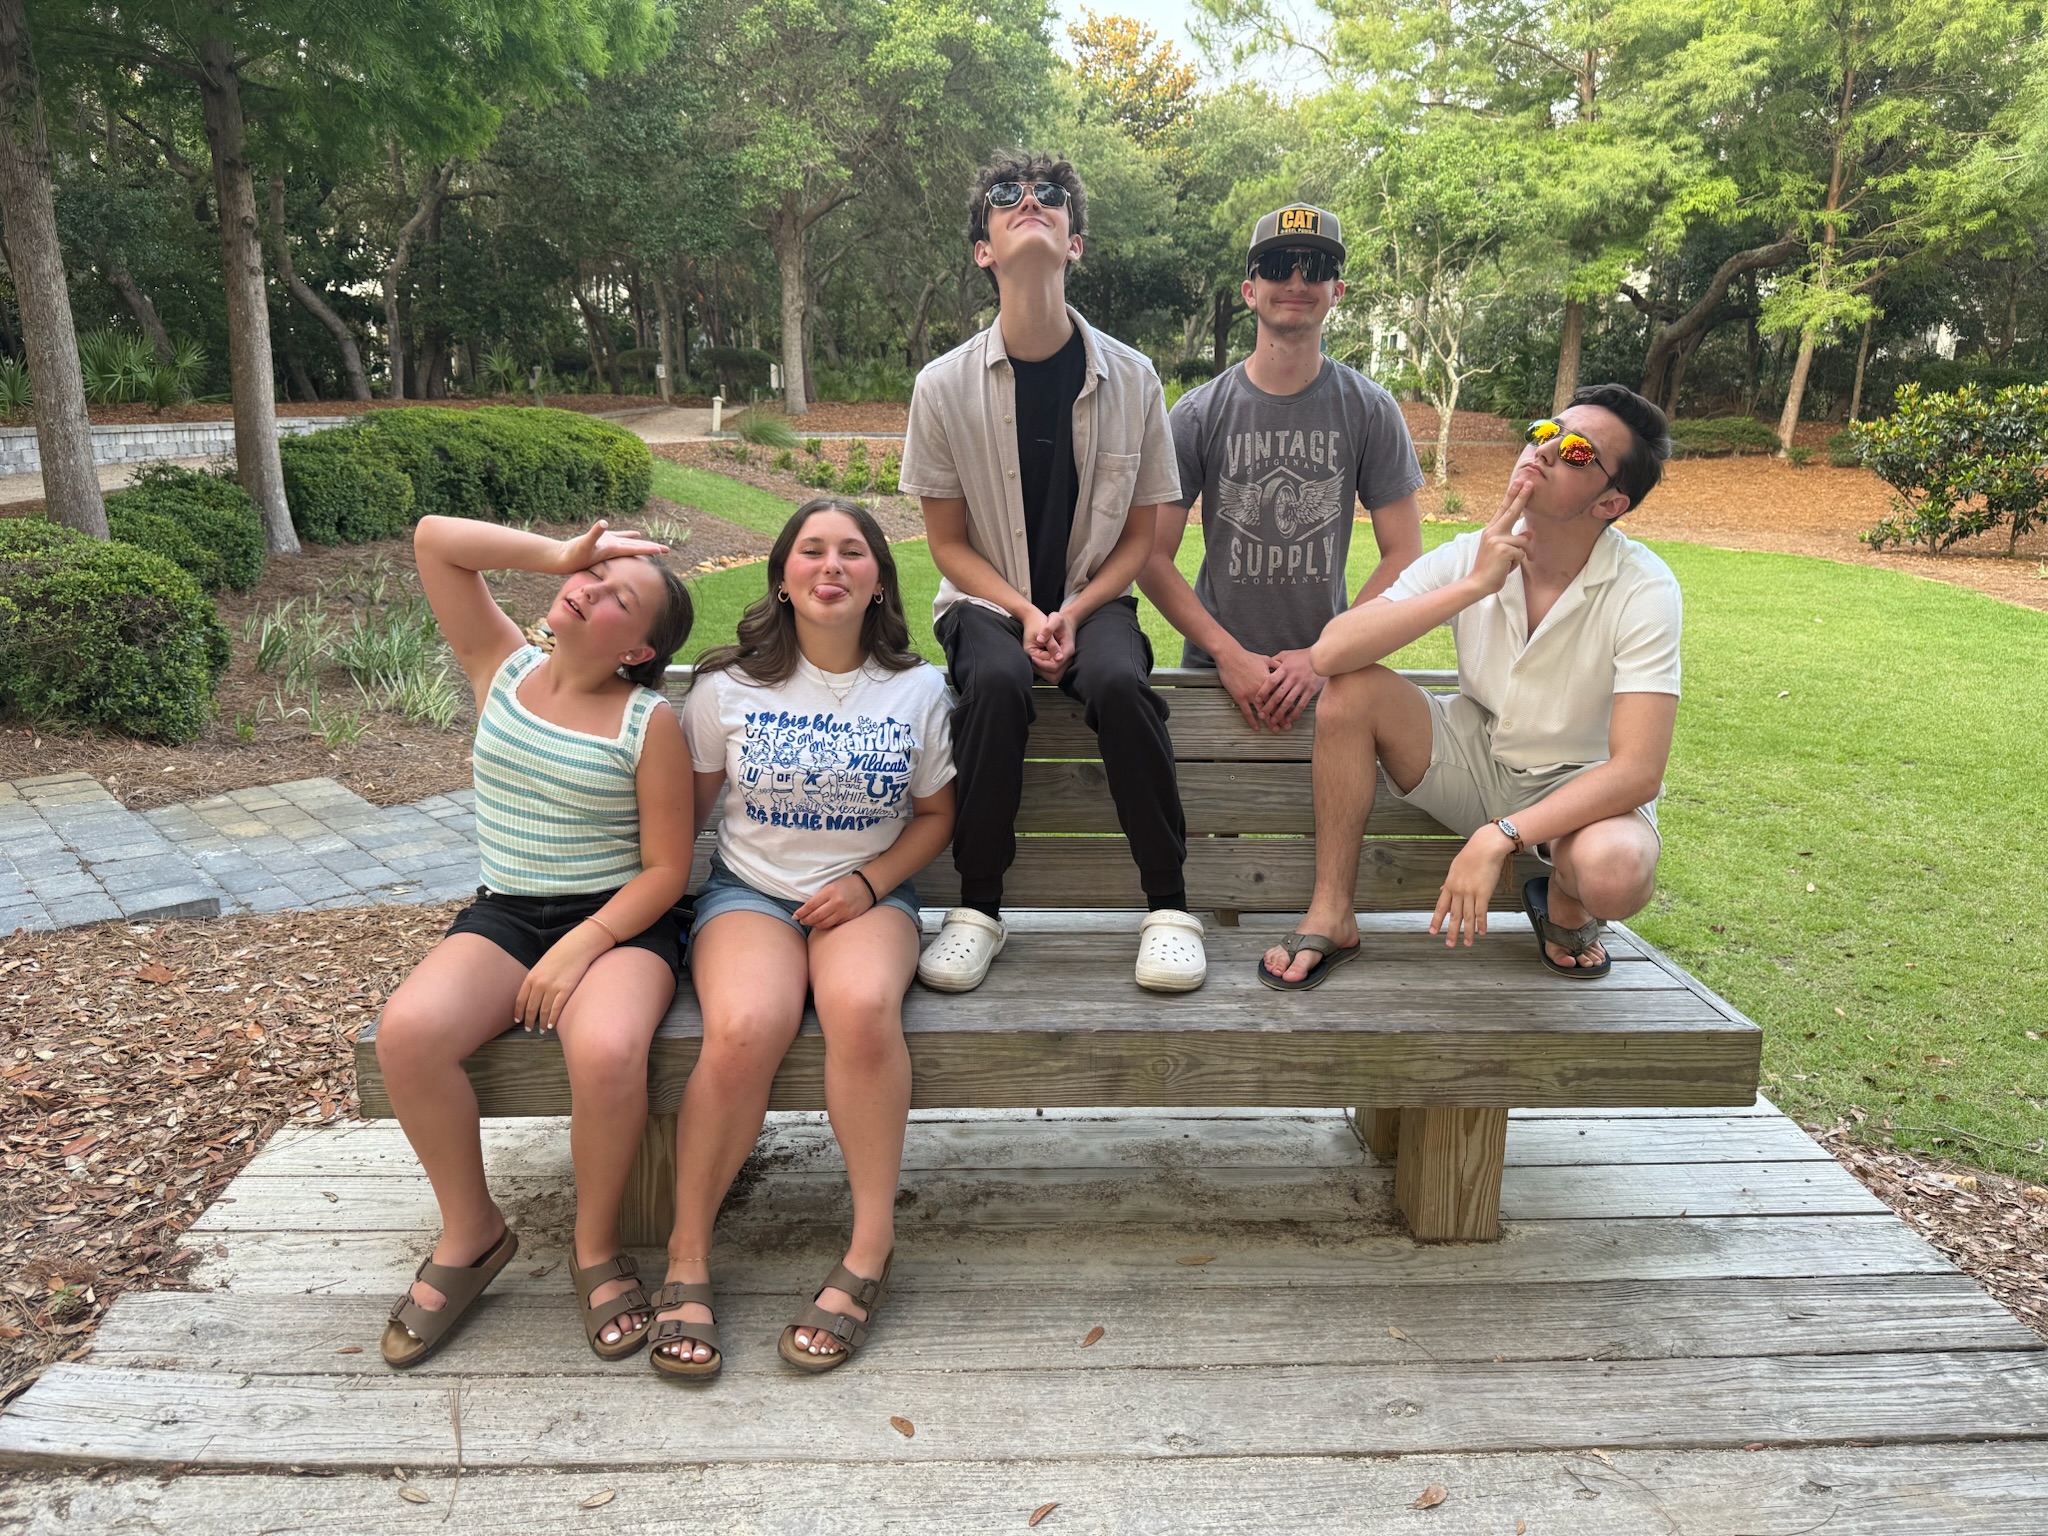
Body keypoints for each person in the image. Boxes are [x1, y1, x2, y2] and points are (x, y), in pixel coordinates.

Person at [375, 515, 695, 1366]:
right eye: (591, 574)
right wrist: (563, 552)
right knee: (407, 1034)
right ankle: (472, 1230)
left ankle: (595, 1248)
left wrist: (582, 945)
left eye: (614, 592)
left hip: (621, 922)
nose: (586, 588)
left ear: (638, 648)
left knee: (608, 1047)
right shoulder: (502, 663)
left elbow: (665, 870)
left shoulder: (646, 723)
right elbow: (435, 540)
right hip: (509, 913)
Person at [650, 497, 956, 1378]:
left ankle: (868, 1250)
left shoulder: (918, 689)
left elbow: (937, 816)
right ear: (782, 579)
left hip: (870, 896)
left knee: (861, 1008)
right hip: (749, 894)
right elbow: (687, 820)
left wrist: (868, 884)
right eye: (811, 551)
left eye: (852, 552)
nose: (832, 565)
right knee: (745, 1025)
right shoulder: (723, 689)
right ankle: (687, 1255)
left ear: (877, 583)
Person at [1259, 384, 1680, 990]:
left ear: (1611, 504)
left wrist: (1503, 833)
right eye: (1544, 432)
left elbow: (1639, 771)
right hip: (1476, 758)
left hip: (1577, 792)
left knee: (1615, 872)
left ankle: (1563, 900)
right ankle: (1332, 912)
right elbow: (1331, 651)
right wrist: (1474, 585)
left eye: (1580, 452)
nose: (1548, 451)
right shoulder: (1470, 555)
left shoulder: (1644, 588)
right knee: (1350, 689)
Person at [902, 149, 1201, 995]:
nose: (1029, 203)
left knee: (1118, 682)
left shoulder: (1134, 377)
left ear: (1075, 242)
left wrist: (1073, 609)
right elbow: (948, 545)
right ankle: (979, 910)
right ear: (983, 250)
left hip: (1096, 593)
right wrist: (1022, 612)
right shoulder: (941, 385)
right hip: (984, 597)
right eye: (1006, 196)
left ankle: (1169, 910)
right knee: (992, 686)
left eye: (1051, 197)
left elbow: (1142, 540)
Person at [1141, 203, 1424, 731]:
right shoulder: (1198, 414)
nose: (1296, 280)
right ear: (1250, 290)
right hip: (1213, 673)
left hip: (1326, 678)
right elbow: (1150, 556)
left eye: (1315, 268)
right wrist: (1227, 654)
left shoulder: (1370, 409)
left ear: (1337, 292)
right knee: (1208, 814)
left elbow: (1405, 553)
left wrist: (1325, 654)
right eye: (1276, 266)